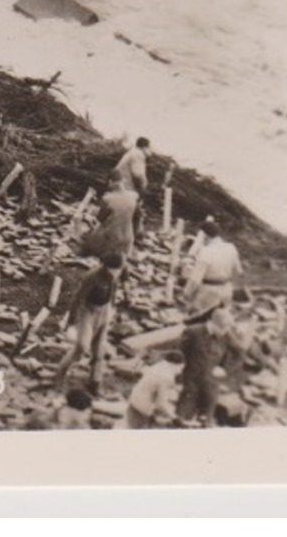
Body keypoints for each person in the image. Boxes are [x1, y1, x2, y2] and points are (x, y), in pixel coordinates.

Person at [54, 252, 125, 394]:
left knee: (99, 351)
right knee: (82, 346)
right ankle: (60, 374)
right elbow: (78, 297)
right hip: (88, 310)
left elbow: (114, 289)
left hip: (104, 310)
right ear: (106, 266)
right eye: (114, 269)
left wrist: (113, 306)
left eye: (118, 269)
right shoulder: (92, 276)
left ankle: (95, 382)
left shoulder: (117, 273)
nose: (116, 272)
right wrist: (71, 320)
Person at [177, 307, 242, 426]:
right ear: (213, 323)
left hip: (211, 383)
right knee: (183, 418)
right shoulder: (192, 332)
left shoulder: (226, 335)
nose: (225, 332)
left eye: (227, 329)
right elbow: (181, 353)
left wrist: (225, 369)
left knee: (206, 419)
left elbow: (239, 354)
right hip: (191, 381)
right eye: (222, 328)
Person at [182, 218, 243, 317]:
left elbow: (195, 280)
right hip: (226, 289)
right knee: (221, 320)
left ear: (205, 236)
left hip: (208, 293)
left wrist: (186, 293)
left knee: (199, 319)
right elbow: (238, 271)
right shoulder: (231, 247)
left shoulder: (205, 252)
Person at [78, 181, 141, 263]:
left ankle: (88, 252)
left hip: (111, 238)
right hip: (127, 239)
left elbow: (100, 219)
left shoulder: (107, 198)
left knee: (87, 244)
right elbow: (138, 217)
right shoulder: (134, 196)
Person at [126, 352, 183, 428]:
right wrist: (175, 418)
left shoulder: (159, 365)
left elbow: (154, 382)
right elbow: (161, 404)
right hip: (141, 412)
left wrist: (173, 387)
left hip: (133, 404)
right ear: (177, 365)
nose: (180, 371)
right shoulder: (167, 377)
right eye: (181, 368)